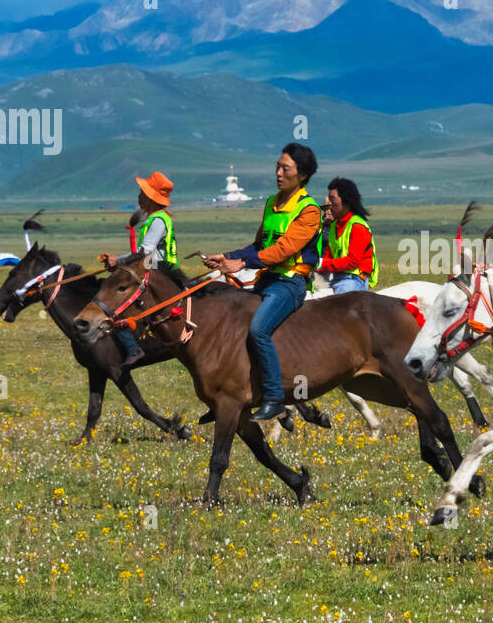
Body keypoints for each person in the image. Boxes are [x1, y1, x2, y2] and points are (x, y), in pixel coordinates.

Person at [203, 145, 322, 421]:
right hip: (267, 278)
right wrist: (227, 256)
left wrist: (242, 264)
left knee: (257, 330)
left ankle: (274, 398)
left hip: (290, 283)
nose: (278, 173)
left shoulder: (309, 211)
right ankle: (232, 395)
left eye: (286, 169)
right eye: (277, 167)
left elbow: (283, 250)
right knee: (232, 322)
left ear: (302, 175)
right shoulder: (272, 202)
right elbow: (260, 245)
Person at [101, 171, 178, 369]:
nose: (139, 196)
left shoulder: (159, 220)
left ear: (151, 198)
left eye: (142, 192)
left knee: (116, 302)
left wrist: (118, 261)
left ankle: (133, 348)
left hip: (158, 271)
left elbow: (146, 252)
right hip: (154, 268)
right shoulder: (157, 219)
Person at [318, 177, 377, 294]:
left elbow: (352, 262)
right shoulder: (335, 226)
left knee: (339, 309)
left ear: (345, 200)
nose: (329, 204)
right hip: (337, 277)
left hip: (353, 279)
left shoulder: (357, 226)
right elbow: (330, 253)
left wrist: (321, 264)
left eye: (332, 199)